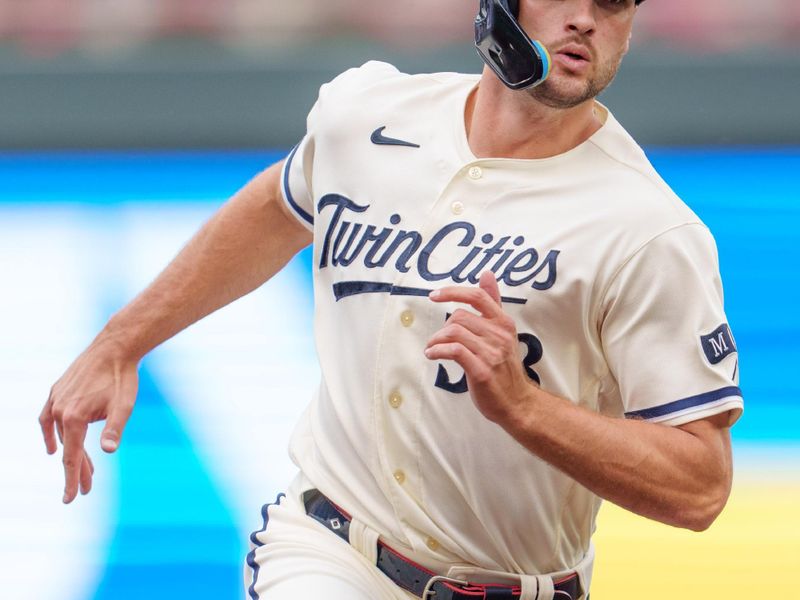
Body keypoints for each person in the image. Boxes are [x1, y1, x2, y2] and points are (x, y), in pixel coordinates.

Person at [40, 1, 744, 599]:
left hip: (520, 578)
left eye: (614, 2)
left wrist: (528, 410)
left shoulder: (651, 229)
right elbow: (275, 206)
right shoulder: (368, 115)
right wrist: (119, 342)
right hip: (330, 547)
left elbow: (700, 487)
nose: (587, 20)